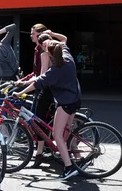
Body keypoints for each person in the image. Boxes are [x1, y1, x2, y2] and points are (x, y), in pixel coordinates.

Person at [13, 39, 82, 179]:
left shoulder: (55, 70)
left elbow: (37, 83)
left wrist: (20, 93)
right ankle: (75, 155)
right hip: (76, 99)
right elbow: (64, 41)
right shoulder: (68, 57)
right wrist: (51, 36)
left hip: (66, 103)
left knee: (57, 136)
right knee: (66, 132)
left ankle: (69, 168)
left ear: (50, 55)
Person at [16, 24, 67, 167]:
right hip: (44, 88)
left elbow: (42, 76)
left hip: (46, 90)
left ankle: (39, 154)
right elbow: (35, 73)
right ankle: (43, 148)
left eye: (33, 33)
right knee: (39, 119)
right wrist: (22, 81)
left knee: (38, 120)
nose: (30, 35)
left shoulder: (44, 52)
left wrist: (23, 86)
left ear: (39, 35)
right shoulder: (38, 50)